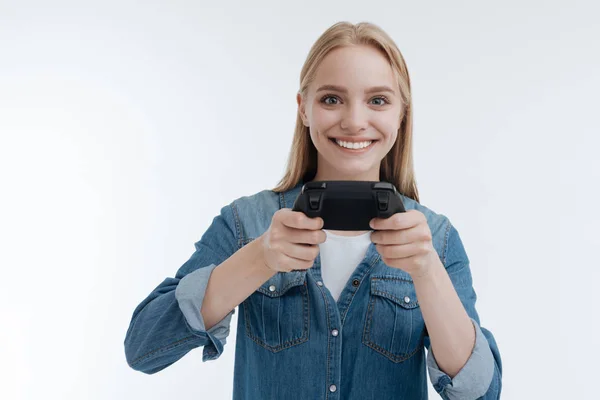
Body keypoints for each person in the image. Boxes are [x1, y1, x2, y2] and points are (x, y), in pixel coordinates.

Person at [124, 21, 503, 399]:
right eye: (331, 99)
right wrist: (259, 258)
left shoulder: (436, 239)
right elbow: (144, 347)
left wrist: (427, 271)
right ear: (303, 108)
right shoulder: (246, 223)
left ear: (402, 113)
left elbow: (482, 393)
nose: (354, 121)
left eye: (378, 100)